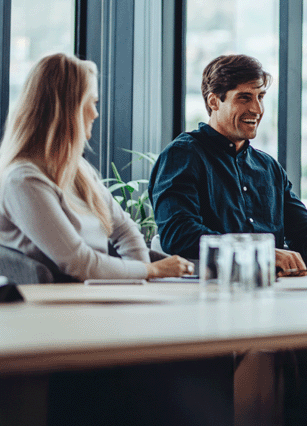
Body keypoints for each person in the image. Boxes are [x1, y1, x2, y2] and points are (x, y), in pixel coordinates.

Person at [0, 53, 193, 281]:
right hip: (56, 306)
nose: (96, 113)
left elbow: (124, 229)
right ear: (68, 109)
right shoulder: (23, 182)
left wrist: (141, 279)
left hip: (91, 295)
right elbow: (79, 263)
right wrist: (151, 270)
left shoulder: (77, 169)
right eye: (92, 102)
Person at [149, 54, 307, 275]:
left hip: (272, 293)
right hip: (206, 295)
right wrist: (260, 252)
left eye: (260, 97)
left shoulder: (268, 167)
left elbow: (303, 227)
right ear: (213, 101)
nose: (257, 109)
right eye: (244, 98)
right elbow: (179, 234)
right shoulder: (182, 155)